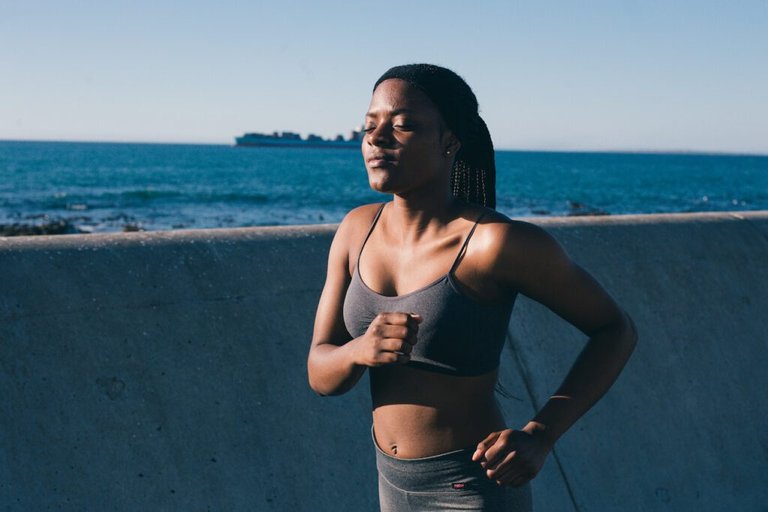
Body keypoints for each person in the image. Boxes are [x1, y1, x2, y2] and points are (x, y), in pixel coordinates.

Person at [307, 64, 637, 511]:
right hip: (389, 480)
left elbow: (615, 329)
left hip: (470, 486)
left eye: (402, 125)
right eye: (369, 126)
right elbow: (320, 373)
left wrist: (541, 433)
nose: (377, 138)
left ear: (449, 142)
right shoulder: (355, 230)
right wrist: (358, 351)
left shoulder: (495, 244)